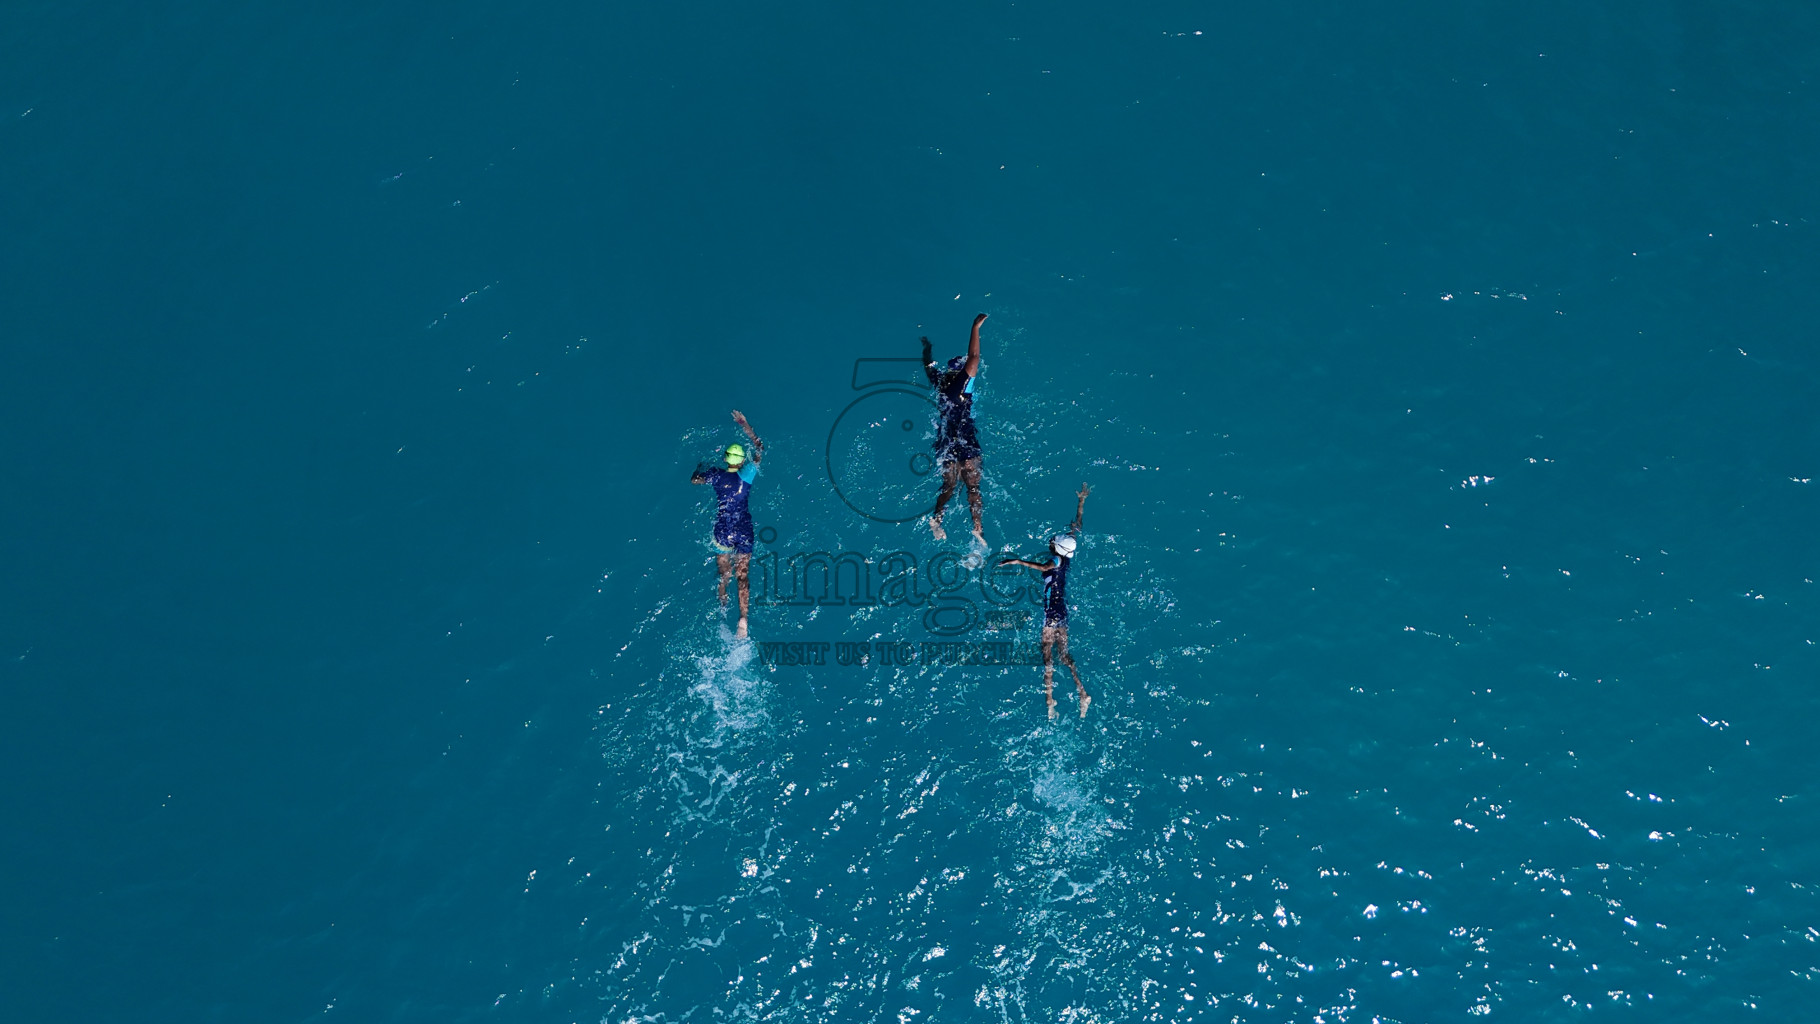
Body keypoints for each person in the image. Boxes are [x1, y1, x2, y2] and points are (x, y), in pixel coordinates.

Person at [998, 483, 1091, 719]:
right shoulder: (1066, 556)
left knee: (1047, 656)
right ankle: (1082, 692)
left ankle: (1050, 701)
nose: (1051, 541)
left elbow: (1042, 566)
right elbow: (1076, 529)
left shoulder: (1056, 562)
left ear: (1057, 549)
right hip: (1063, 610)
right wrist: (1081, 502)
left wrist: (1016, 562)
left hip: (1052, 614)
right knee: (1064, 656)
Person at [690, 410, 763, 637]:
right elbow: (760, 448)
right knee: (744, 575)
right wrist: (745, 424)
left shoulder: (716, 475)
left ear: (725, 459)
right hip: (744, 530)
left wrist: (700, 467)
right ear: (741, 461)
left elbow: (694, 480)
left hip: (723, 532)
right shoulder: (748, 473)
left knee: (725, 574)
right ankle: (743, 618)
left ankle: (722, 605)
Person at [922, 312, 988, 543]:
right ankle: (977, 528)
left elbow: (928, 367)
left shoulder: (941, 384)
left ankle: (936, 520)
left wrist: (927, 348)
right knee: (973, 485)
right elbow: (975, 356)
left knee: (949, 485)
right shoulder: (961, 387)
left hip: (946, 442)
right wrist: (975, 327)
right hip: (966, 439)